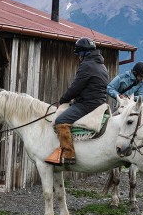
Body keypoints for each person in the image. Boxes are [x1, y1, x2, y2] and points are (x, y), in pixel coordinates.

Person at [45, 37, 109, 166]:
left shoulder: (86, 65)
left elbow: (76, 87)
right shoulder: (101, 65)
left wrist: (63, 100)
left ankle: (69, 155)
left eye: (79, 53)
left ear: (83, 52)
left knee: (61, 121)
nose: (78, 56)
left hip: (87, 104)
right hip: (99, 102)